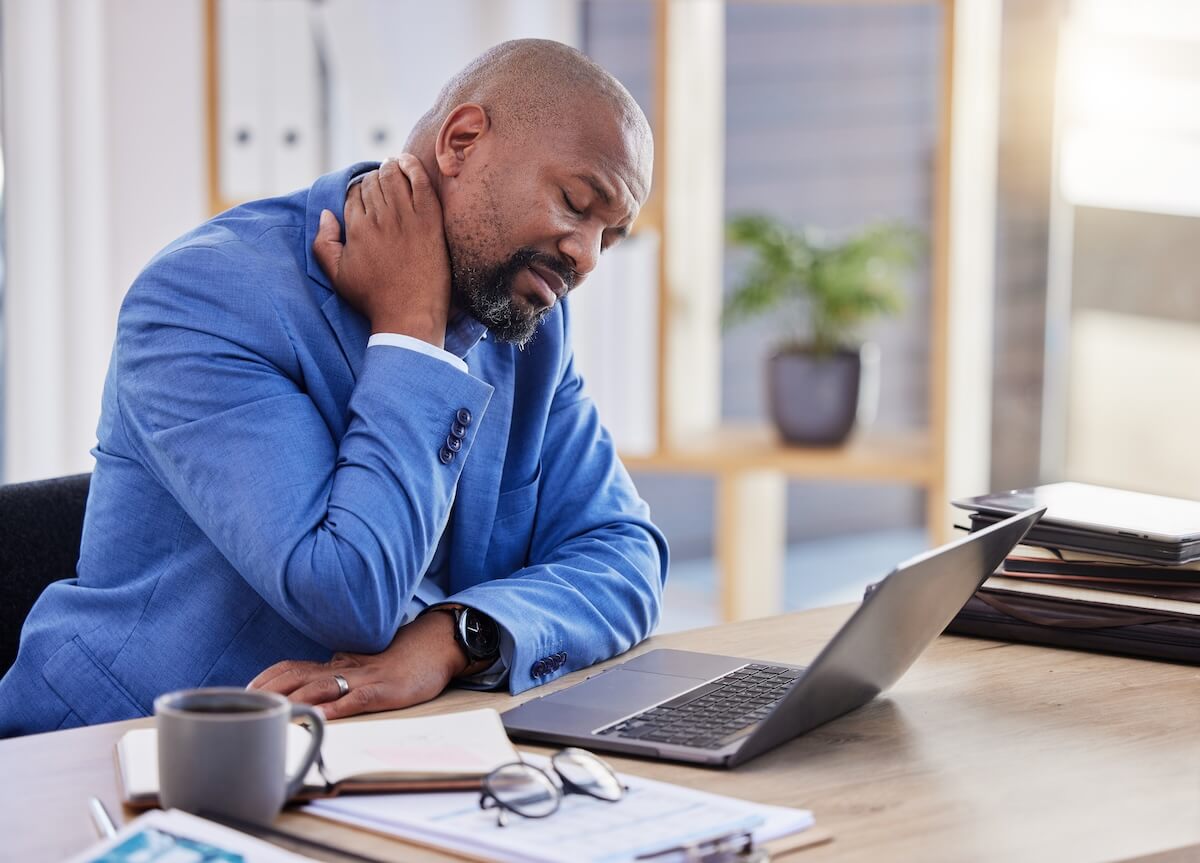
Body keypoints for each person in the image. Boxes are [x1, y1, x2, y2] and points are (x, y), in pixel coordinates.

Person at [0, 39, 667, 737]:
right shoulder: (205, 298)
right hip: (116, 756)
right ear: (462, 141)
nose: (585, 257)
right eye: (574, 203)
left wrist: (452, 639)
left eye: (610, 236)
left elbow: (625, 554)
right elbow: (348, 591)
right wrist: (412, 331)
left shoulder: (527, 331)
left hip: (371, 755)